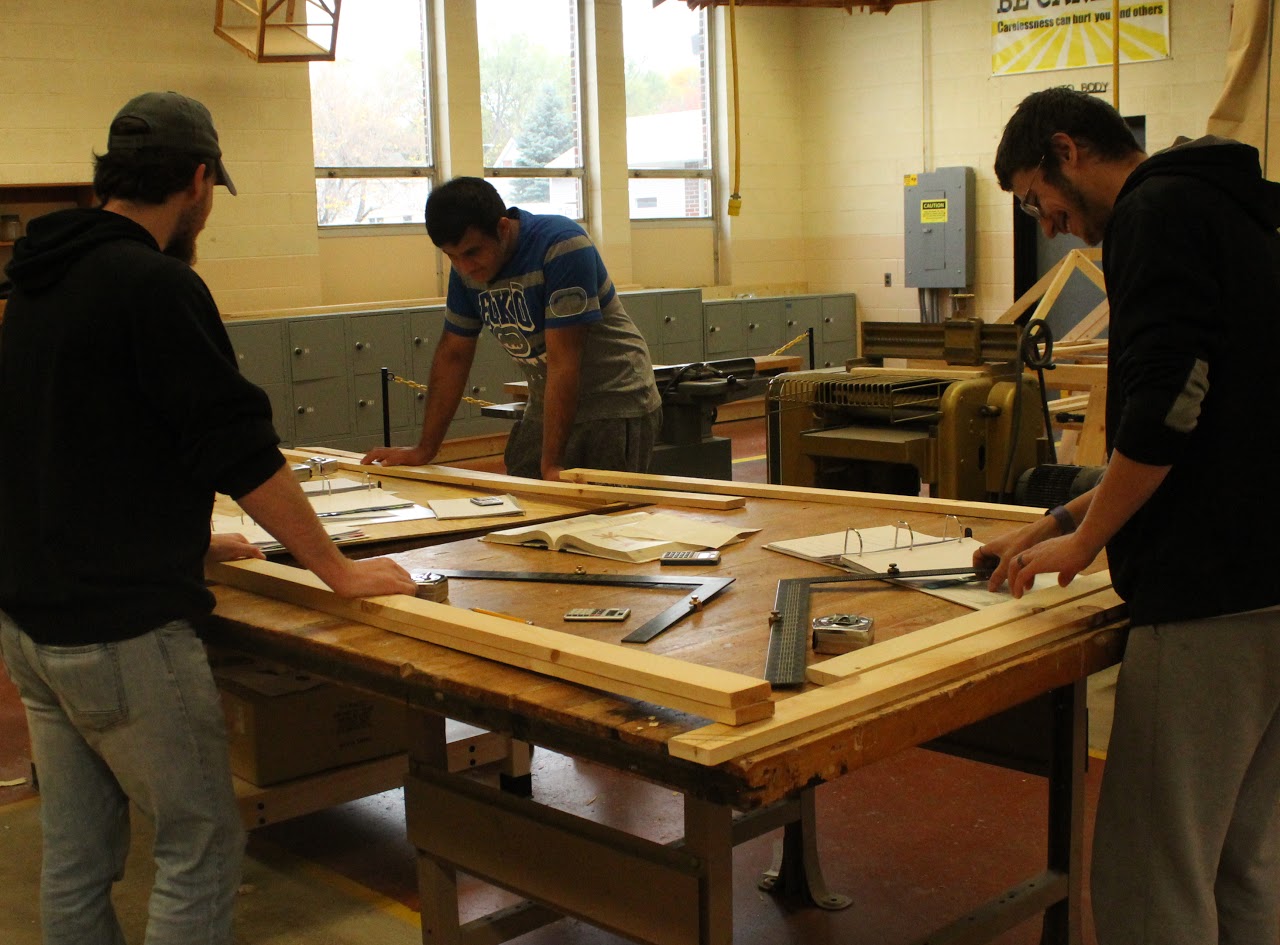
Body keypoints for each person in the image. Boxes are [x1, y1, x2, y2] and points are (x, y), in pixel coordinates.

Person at [0, 91, 418, 945]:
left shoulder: (39, 281)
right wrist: (337, 569)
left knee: (77, 857)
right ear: (197, 181)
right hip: (120, 632)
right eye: (212, 192)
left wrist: (184, 538)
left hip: (30, 620)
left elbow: (88, 440)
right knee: (200, 840)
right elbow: (239, 448)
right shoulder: (154, 285)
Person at [983, 87, 1280, 944]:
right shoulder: (1230, 209)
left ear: (1066, 150)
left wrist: (1087, 540)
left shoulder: (1156, 214)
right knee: (1238, 861)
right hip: (1270, 585)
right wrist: (1052, 521)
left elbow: (1169, 410)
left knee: (1153, 877)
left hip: (1210, 600)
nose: (1050, 223)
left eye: (1038, 199)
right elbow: (1212, 423)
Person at [361, 177, 662, 481]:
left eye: (472, 252)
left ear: (503, 229)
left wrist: (551, 465)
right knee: (523, 506)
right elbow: (454, 354)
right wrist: (425, 448)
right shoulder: (466, 270)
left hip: (614, 401)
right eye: (452, 256)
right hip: (547, 402)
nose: (464, 266)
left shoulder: (562, 245)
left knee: (599, 519)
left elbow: (564, 361)